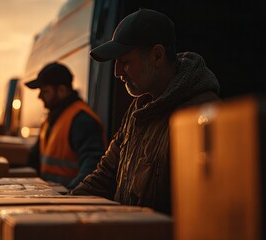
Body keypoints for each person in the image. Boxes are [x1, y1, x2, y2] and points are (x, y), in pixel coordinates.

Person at [70, 9, 221, 214]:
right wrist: (64, 209)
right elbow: (105, 175)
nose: (117, 73)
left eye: (125, 62)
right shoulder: (138, 110)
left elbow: (203, 211)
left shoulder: (200, 115)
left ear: (157, 56)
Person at [25, 62, 107, 189]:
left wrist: (70, 196)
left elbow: (92, 168)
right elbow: (33, 159)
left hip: (70, 204)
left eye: (45, 91)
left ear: (62, 90)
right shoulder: (50, 120)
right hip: (50, 199)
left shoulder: (81, 120)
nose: (39, 96)